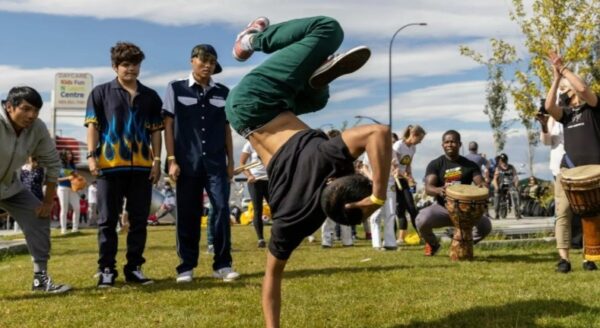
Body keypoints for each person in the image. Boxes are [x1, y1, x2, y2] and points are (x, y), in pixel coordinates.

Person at [225, 16, 390, 328]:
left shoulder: (326, 157)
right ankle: (317, 76)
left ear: (337, 177)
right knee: (319, 97)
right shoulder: (299, 219)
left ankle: (249, 39)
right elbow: (271, 278)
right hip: (255, 119)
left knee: (328, 30)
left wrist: (378, 197)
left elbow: (379, 133)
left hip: (257, 101)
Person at [85, 42, 163, 287]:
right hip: (109, 166)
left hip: (142, 166)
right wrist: (90, 156)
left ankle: (134, 268)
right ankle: (106, 269)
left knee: (139, 220)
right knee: (107, 220)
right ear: (115, 66)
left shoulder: (150, 96)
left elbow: (156, 132)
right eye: (125, 65)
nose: (131, 69)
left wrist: (157, 160)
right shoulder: (100, 93)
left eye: (135, 64)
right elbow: (93, 126)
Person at [163, 44, 238, 283]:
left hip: (216, 163)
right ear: (192, 60)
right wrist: (171, 160)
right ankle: (186, 266)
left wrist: (231, 161)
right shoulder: (175, 88)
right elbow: (168, 126)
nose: (207, 65)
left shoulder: (224, 92)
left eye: (212, 62)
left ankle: (223, 264)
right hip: (186, 163)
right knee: (188, 213)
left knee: (222, 210)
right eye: (203, 60)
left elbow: (227, 128)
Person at [1, 86, 71, 293]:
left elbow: (53, 164)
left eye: (36, 111)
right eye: (26, 109)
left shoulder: (37, 128)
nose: (31, 115)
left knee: (38, 216)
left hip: (10, 186)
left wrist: (48, 202)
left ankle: (40, 280)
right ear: (9, 107)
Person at [544, 50, 600, 273]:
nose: (565, 91)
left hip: (595, 169)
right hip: (569, 170)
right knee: (563, 213)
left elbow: (585, 89)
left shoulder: (594, 107)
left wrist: (564, 67)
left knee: (593, 214)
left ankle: (590, 257)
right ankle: (564, 259)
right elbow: (549, 107)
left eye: (567, 87)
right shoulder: (566, 113)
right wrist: (557, 77)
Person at [415, 130, 492, 256]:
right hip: (443, 209)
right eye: (446, 142)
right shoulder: (436, 164)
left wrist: (484, 187)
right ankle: (434, 245)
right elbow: (429, 188)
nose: (449, 144)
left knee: (485, 226)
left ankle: (462, 243)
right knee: (421, 220)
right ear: (442, 145)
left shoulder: (470, 165)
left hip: (466, 211)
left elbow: (480, 183)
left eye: (453, 142)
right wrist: (440, 190)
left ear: (459, 144)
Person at [536, 102, 582, 249]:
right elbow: (546, 141)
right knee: (563, 207)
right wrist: (544, 125)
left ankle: (581, 240)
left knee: (581, 204)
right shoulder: (552, 120)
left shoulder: (576, 116)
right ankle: (566, 242)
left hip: (578, 164)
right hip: (559, 167)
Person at [392, 124, 426, 244]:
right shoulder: (398, 145)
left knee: (412, 208)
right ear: (413, 135)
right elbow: (394, 166)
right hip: (394, 180)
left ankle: (422, 236)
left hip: (404, 180)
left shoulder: (412, 148)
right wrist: (405, 176)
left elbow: (408, 164)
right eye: (420, 139)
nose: (420, 142)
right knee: (400, 209)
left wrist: (410, 176)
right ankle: (400, 238)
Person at [320, 130, 353, 248]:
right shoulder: (326, 153)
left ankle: (346, 241)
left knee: (343, 213)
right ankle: (328, 241)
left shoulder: (345, 154)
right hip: (332, 186)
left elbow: (350, 171)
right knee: (330, 215)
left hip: (342, 186)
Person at [240, 140, 270, 248]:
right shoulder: (249, 144)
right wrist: (249, 176)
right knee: (258, 209)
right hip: (255, 181)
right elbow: (242, 163)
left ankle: (279, 236)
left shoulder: (269, 143)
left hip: (269, 180)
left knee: (276, 208)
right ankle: (260, 239)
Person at [56, 150, 81, 234]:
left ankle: (75, 228)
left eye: (71, 154)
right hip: (62, 188)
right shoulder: (59, 165)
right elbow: (56, 179)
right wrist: (67, 178)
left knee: (77, 207)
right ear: (63, 155)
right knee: (64, 209)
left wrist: (77, 177)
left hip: (73, 188)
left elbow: (75, 175)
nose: (70, 155)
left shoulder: (72, 165)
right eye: (68, 154)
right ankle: (63, 229)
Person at [492, 153, 522, 220]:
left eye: (504, 160)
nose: (503, 162)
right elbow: (494, 179)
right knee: (497, 195)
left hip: (510, 184)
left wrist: (516, 185)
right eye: (502, 161)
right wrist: (496, 187)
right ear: (500, 161)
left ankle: (517, 213)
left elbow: (515, 177)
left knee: (515, 193)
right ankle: (496, 213)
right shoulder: (498, 168)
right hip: (501, 185)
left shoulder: (511, 167)